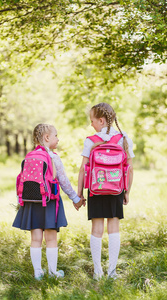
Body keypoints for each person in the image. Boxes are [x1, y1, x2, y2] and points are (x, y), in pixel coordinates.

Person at [13, 123, 85, 280]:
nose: (58, 139)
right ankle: (53, 273)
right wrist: (75, 198)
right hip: (50, 202)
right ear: (47, 138)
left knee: (35, 239)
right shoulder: (53, 157)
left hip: (31, 202)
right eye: (56, 135)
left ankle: (38, 272)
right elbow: (63, 181)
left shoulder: (29, 156)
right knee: (51, 238)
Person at [77, 102, 134, 280]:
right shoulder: (124, 139)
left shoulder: (91, 140)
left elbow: (83, 168)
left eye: (92, 120)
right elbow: (130, 169)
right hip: (116, 189)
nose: (91, 124)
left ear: (101, 120)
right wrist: (127, 192)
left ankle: (97, 272)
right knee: (114, 229)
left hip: (96, 189)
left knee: (97, 229)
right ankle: (112, 272)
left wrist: (79, 194)